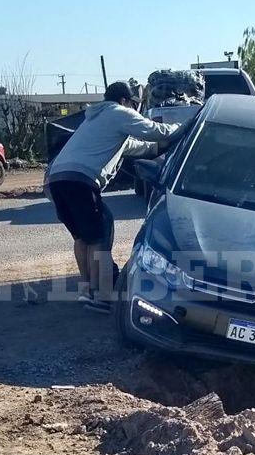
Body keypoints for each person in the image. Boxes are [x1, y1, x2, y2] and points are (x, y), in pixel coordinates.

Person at [45, 81, 182, 314]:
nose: (134, 109)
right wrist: (185, 127)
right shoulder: (118, 113)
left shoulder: (96, 120)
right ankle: (103, 296)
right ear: (123, 101)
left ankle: (88, 289)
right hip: (80, 180)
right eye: (133, 104)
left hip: (57, 180)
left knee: (83, 237)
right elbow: (153, 131)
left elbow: (145, 147)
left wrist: (163, 146)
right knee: (100, 238)